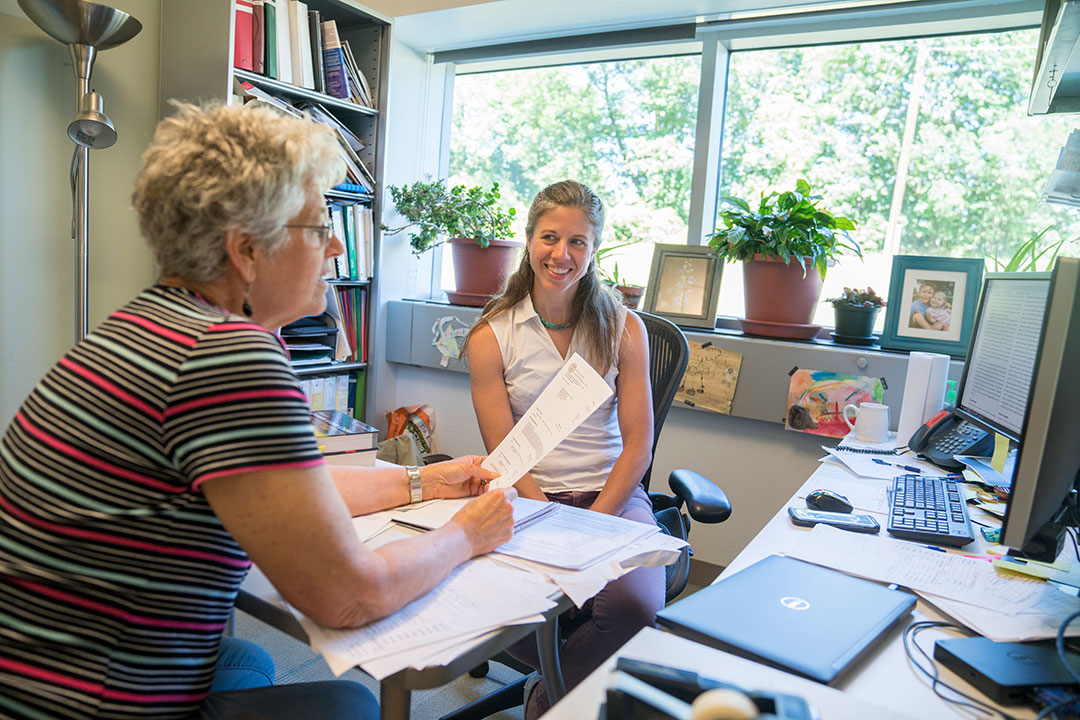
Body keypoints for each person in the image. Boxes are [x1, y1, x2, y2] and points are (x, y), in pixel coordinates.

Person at [0, 102, 517, 720]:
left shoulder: (149, 324)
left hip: (35, 668)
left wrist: (424, 479)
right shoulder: (226, 356)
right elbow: (349, 599)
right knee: (350, 705)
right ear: (247, 250)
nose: (333, 250)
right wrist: (466, 534)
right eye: (320, 227)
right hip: (81, 704)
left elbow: (294, 491)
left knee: (250, 664)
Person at [466, 180, 663, 718]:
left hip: (612, 496)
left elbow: (638, 445)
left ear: (594, 248)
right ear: (529, 240)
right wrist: (550, 518)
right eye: (550, 237)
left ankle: (549, 692)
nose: (562, 254)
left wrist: (593, 526)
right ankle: (572, 683)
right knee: (485, 610)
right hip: (527, 498)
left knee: (637, 607)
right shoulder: (491, 336)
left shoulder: (625, 329)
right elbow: (503, 452)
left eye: (578, 241)